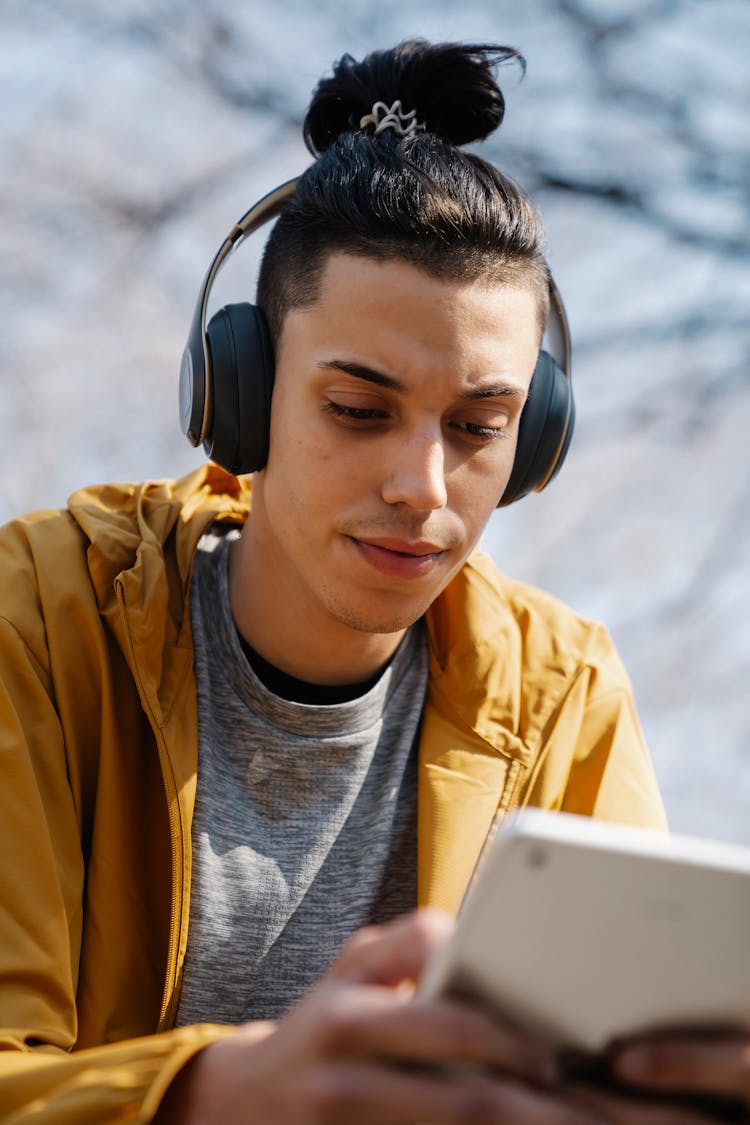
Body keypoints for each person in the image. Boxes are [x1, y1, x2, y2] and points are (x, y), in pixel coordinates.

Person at [3, 36, 737, 1125]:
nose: (421, 485)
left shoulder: (562, 695)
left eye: (480, 426)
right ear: (239, 397)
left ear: (534, 445)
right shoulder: (37, 617)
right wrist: (217, 1093)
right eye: (358, 409)